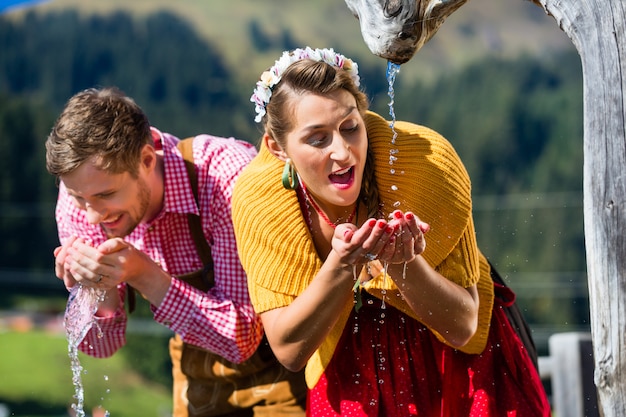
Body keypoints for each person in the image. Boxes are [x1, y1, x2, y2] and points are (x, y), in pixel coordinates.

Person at [231, 47, 551, 416]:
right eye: (317, 139)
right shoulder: (262, 200)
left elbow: (463, 326)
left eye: (351, 127)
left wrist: (404, 264)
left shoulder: (428, 167)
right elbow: (290, 350)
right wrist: (341, 266)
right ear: (277, 147)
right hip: (348, 363)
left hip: (460, 365)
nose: (343, 152)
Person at [46, 87, 307, 417]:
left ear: (146, 159)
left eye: (107, 195)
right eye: (80, 199)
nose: (93, 217)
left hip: (285, 374)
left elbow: (243, 336)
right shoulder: (80, 197)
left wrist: (143, 274)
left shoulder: (225, 179)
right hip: (196, 378)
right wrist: (100, 289)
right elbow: (102, 347)